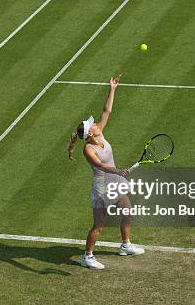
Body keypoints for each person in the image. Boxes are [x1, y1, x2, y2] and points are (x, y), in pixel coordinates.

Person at [68, 75, 144, 269]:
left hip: (116, 181)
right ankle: (87, 256)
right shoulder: (88, 149)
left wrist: (112, 89)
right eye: (92, 124)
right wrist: (119, 171)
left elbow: (107, 110)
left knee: (128, 213)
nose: (95, 123)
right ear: (90, 134)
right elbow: (100, 166)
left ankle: (125, 245)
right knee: (99, 225)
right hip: (103, 186)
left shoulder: (99, 132)